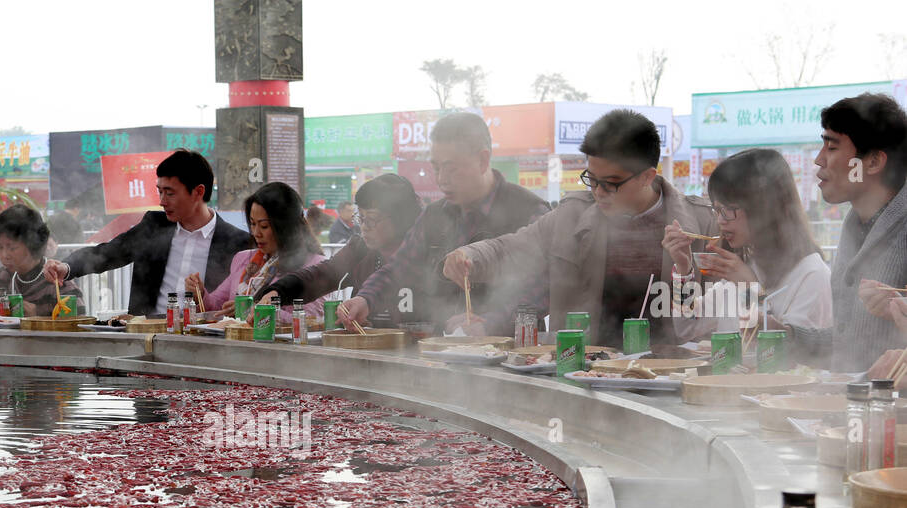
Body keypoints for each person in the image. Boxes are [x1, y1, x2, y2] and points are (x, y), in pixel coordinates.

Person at [443, 109, 715, 347]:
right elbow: (511, 249)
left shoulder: (700, 224)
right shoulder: (571, 215)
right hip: (583, 369)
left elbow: (716, 315)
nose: (598, 192)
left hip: (670, 374)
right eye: (591, 179)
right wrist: (469, 256)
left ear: (647, 176)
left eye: (611, 183)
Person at [339, 112, 549, 337]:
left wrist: (492, 322)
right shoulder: (434, 216)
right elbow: (400, 268)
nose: (441, 179)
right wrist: (366, 298)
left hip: (515, 355)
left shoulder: (529, 211)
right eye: (436, 168)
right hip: (443, 354)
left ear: (483, 160)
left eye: (451, 168)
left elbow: (544, 286)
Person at [663, 148, 831, 363]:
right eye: (717, 209)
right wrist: (684, 269)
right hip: (730, 392)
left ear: (764, 208)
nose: (721, 220)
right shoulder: (745, 266)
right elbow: (687, 327)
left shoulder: (811, 274)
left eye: (729, 209)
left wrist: (750, 291)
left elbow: (782, 357)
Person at [42, 150, 253, 316]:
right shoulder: (155, 225)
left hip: (206, 341)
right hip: (148, 335)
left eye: (170, 193)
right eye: (159, 191)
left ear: (198, 192)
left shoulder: (238, 244)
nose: (162, 201)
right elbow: (109, 252)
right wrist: (66, 267)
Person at [813, 93, 907, 372]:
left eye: (831, 148)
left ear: (874, 162)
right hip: (855, 407)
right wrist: (787, 335)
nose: (819, 160)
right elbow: (848, 342)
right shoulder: (854, 226)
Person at [253, 174, 421, 306]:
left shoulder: (424, 253)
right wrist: (277, 292)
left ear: (401, 220)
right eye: (360, 218)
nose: (364, 226)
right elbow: (321, 275)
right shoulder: (360, 251)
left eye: (371, 219)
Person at [190, 180, 327, 321]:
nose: (256, 233)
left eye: (264, 226)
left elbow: (311, 320)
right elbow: (217, 306)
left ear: (286, 227)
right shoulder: (243, 259)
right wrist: (200, 294)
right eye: (253, 224)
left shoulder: (315, 266)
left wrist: (254, 310)